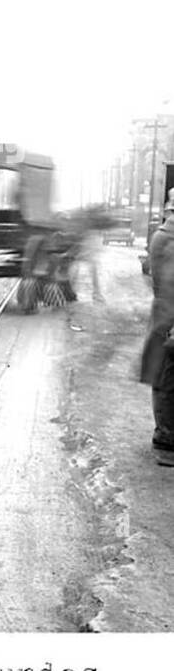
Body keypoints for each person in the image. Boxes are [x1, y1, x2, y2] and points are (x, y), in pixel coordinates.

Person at [142, 192, 174, 467]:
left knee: (165, 379)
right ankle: (165, 442)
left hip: (166, 316)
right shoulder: (168, 238)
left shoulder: (162, 235)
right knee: (166, 380)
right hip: (169, 317)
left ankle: (166, 439)